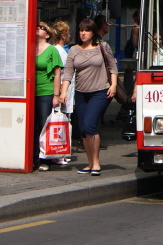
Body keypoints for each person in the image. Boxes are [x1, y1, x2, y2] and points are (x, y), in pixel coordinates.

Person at [60, 19, 118, 176]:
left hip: (100, 92)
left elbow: (113, 67)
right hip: (81, 93)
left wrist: (113, 85)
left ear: (93, 32)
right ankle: (90, 162)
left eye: (86, 30)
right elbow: (68, 73)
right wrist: (63, 92)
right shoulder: (74, 50)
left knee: (90, 126)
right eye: (81, 30)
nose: (83, 33)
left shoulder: (102, 47)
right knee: (84, 130)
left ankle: (96, 162)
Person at [33, 21, 64, 171]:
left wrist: (56, 95)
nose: (38, 28)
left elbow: (57, 74)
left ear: (47, 34)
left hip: (46, 92)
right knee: (32, 126)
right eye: (37, 26)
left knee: (43, 125)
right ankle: (33, 157)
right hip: (30, 92)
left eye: (42, 28)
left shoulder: (52, 50)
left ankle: (44, 158)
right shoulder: (29, 47)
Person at [52, 20, 74, 163]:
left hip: (66, 90)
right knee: (62, 120)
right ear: (64, 35)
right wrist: (61, 92)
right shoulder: (58, 51)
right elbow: (59, 73)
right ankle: (60, 152)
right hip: (64, 90)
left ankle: (62, 152)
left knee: (63, 120)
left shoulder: (60, 50)